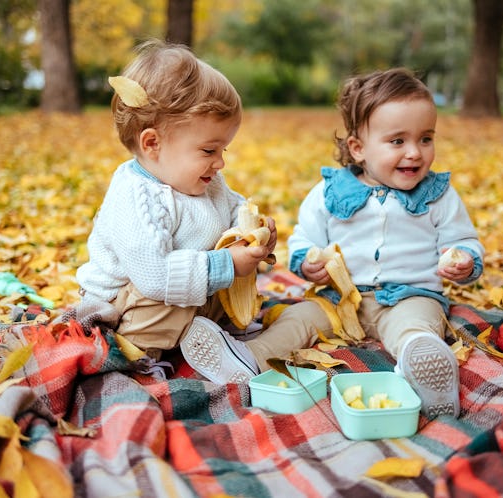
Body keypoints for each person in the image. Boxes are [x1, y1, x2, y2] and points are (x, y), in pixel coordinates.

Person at [184, 67, 484, 420]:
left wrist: (463, 258)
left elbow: (462, 240)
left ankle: (423, 366)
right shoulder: (329, 193)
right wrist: (306, 263)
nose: (415, 153)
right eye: (398, 141)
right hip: (338, 298)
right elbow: (306, 240)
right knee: (298, 320)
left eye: (426, 139)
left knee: (416, 325)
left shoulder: (439, 195)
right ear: (358, 148)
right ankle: (248, 359)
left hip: (410, 294)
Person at [75, 39, 276, 383]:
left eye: (223, 148)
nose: (221, 161)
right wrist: (227, 264)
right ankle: (140, 356)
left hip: (187, 291)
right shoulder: (135, 197)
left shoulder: (206, 180)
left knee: (227, 273)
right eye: (209, 149)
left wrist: (253, 231)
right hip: (128, 304)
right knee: (166, 300)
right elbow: (154, 276)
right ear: (152, 143)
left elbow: (232, 206)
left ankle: (211, 332)